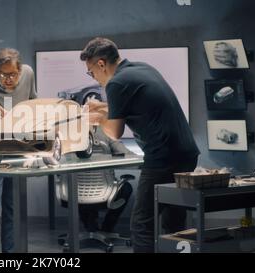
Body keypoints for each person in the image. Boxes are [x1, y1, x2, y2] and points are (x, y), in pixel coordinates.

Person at [81, 37, 200, 253]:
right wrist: (103, 107)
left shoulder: (116, 83)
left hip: (162, 158)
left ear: (101, 64)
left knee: (142, 224)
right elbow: (134, 105)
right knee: (173, 221)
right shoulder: (141, 68)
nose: (94, 78)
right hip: (186, 153)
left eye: (91, 72)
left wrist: (97, 118)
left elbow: (115, 132)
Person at [0, 48, 37, 253]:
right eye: (2, 74)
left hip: (19, 147)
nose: (7, 79)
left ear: (20, 70)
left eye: (12, 74)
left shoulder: (28, 73)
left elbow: (33, 101)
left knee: (12, 208)